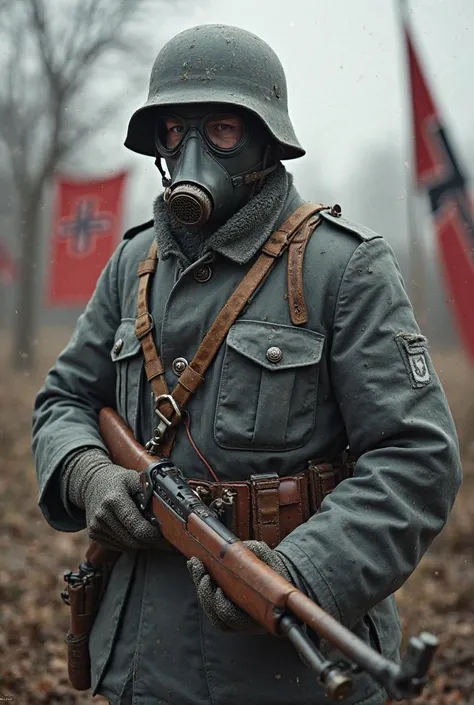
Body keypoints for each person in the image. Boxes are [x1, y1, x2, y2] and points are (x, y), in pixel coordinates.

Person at [32, 23, 461, 705]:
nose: (194, 150)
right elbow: (63, 402)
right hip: (140, 658)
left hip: (286, 670)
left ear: (266, 138)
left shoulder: (341, 267)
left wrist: (301, 570)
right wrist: (89, 476)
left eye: (223, 129)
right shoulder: (131, 264)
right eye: (176, 129)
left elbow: (417, 459)